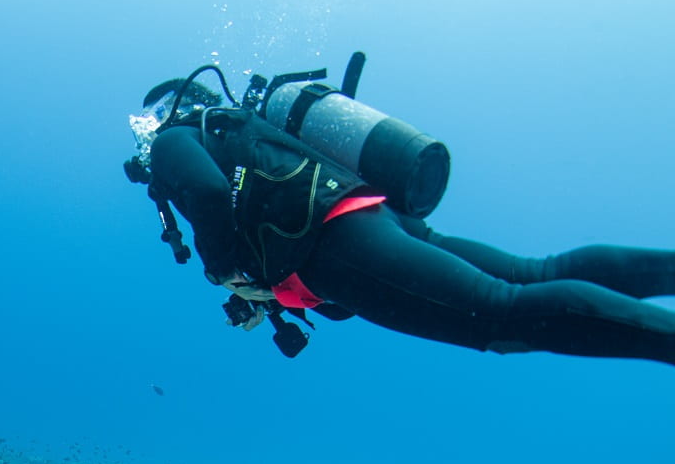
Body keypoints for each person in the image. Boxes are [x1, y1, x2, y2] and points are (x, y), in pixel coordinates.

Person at [129, 74, 675, 364]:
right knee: (531, 274)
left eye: (149, 121)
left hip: (333, 242)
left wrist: (223, 269)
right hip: (370, 217)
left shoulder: (177, 138)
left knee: (499, 315)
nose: (145, 134)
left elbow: (203, 189)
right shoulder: (243, 130)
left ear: (170, 110)